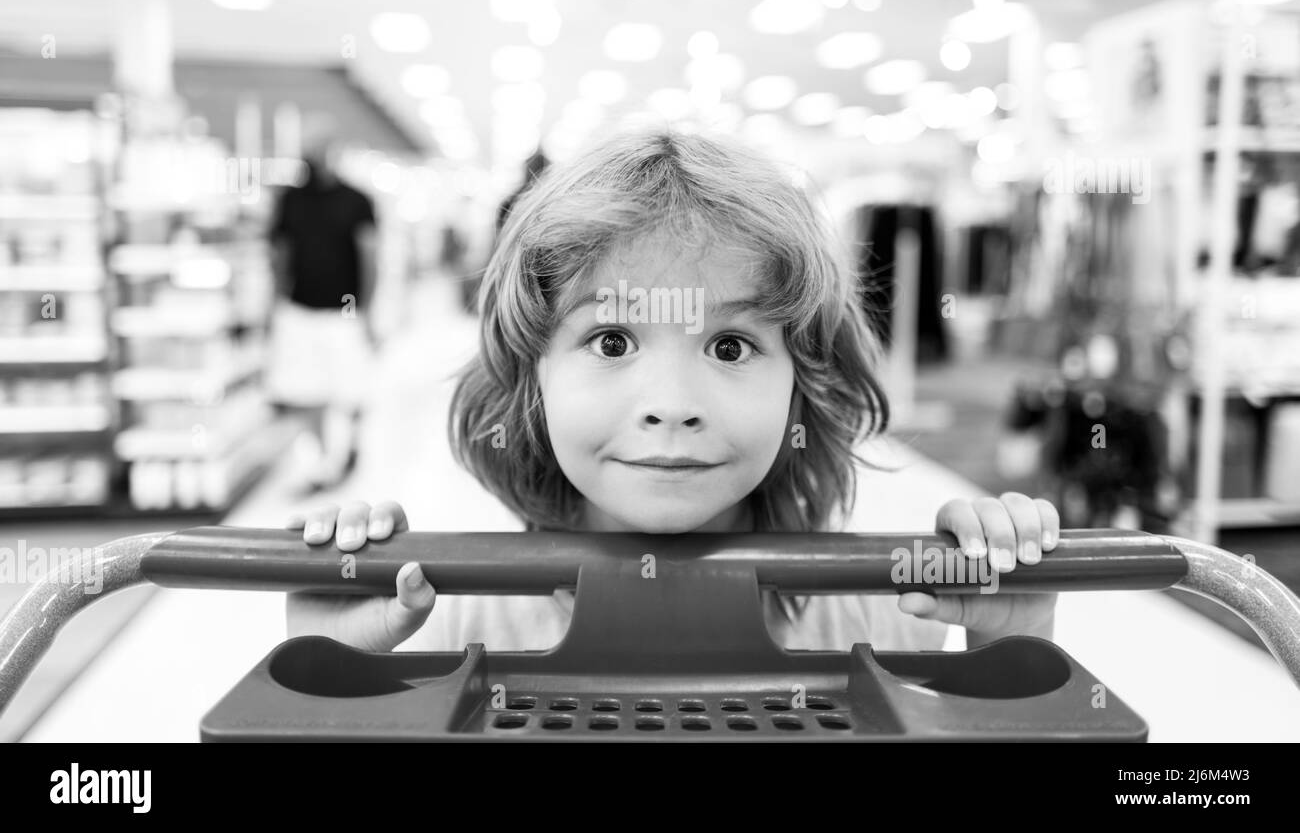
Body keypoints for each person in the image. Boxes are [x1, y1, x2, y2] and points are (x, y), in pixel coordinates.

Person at [284, 128, 1059, 655]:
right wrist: (326, 679)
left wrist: (1012, 651)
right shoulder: (453, 619)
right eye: (612, 340)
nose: (672, 403)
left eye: (730, 345)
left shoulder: (884, 613)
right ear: (533, 376)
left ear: (804, 384)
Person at [265, 138, 379, 491]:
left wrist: (364, 309)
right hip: (299, 309)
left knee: (351, 387)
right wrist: (278, 300)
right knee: (305, 390)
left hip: (343, 306)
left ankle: (350, 447)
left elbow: (369, 256)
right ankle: (321, 460)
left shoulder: (356, 200)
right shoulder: (290, 200)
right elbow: (279, 253)